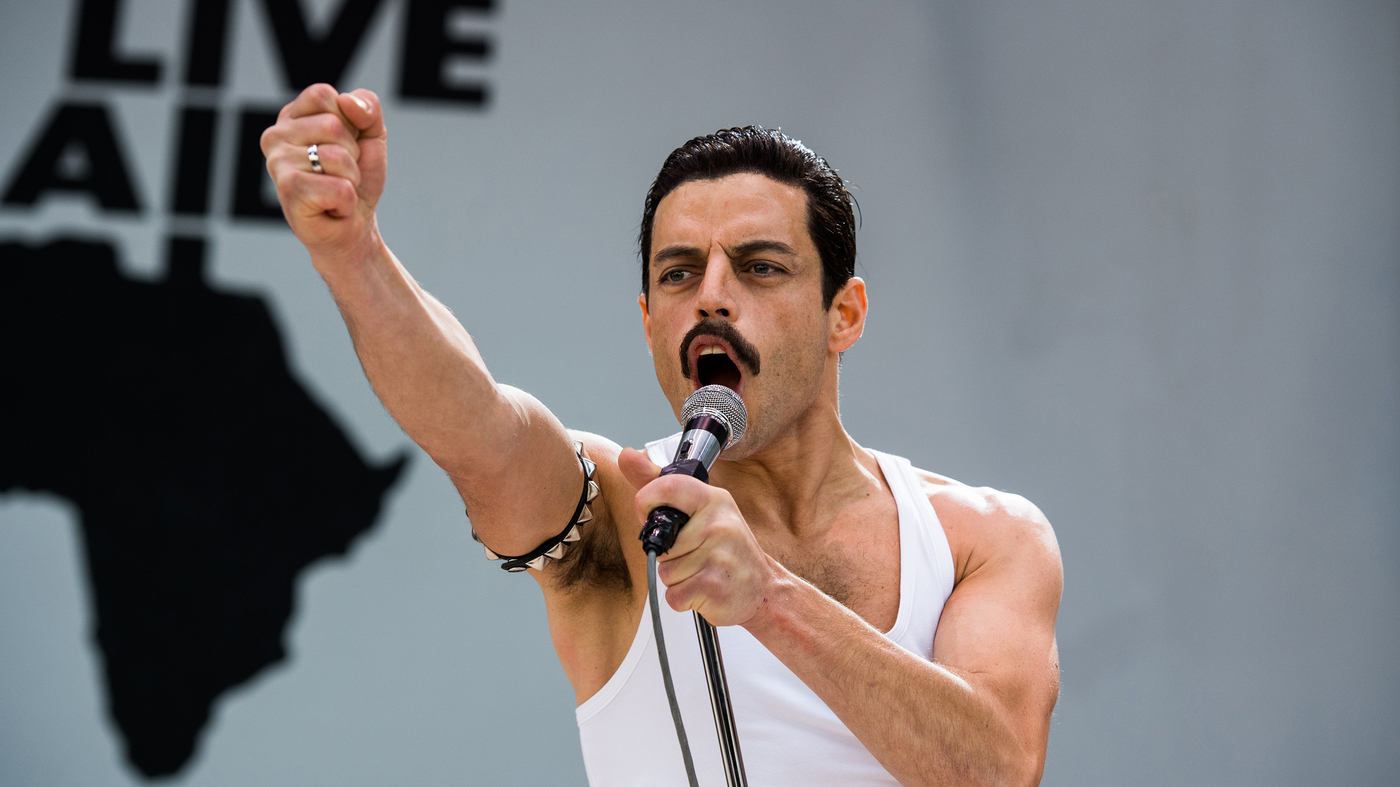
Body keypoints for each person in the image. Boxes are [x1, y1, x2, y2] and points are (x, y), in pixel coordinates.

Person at [261, 84, 1063, 787]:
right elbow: (480, 428)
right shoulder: (619, 509)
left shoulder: (981, 538)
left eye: (759, 266)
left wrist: (771, 600)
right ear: (649, 322)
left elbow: (995, 770)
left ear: (843, 314)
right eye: (679, 273)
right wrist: (353, 253)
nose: (712, 295)